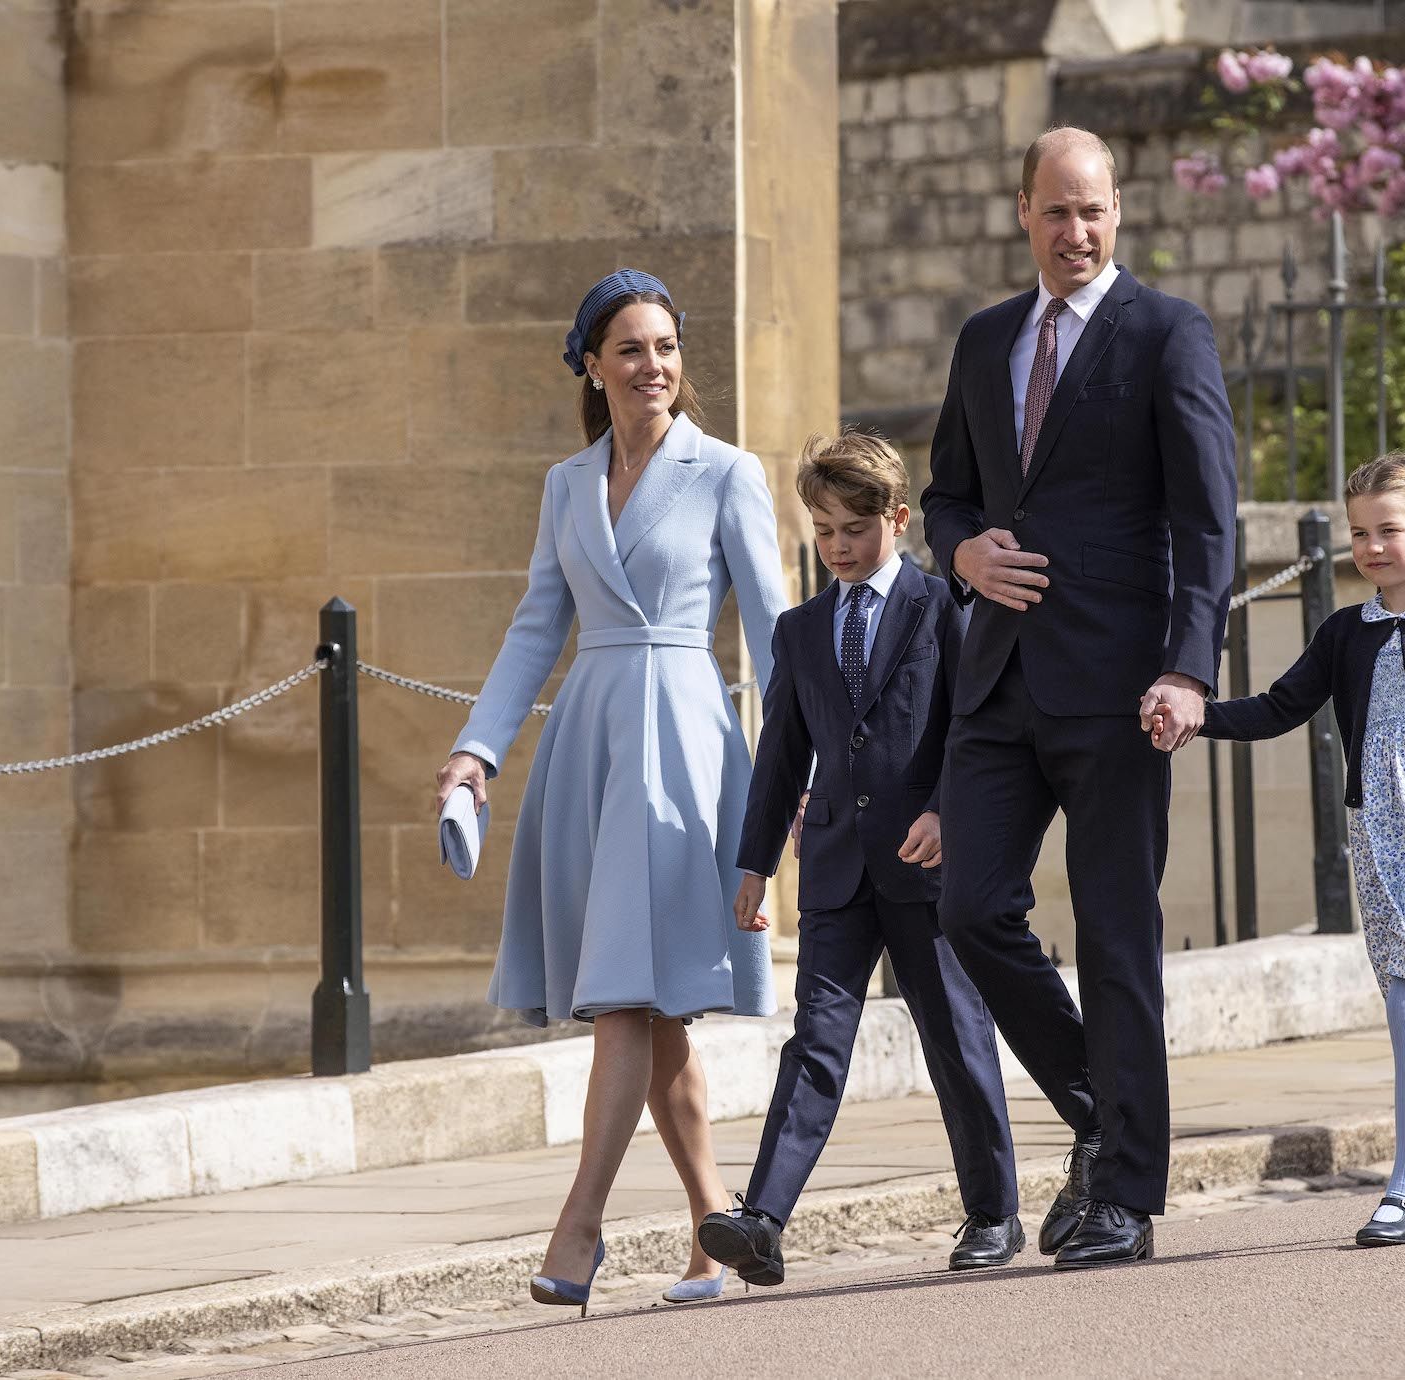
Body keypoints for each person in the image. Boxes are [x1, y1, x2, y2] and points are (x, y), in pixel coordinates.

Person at [430, 269, 787, 1311]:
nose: (653, 367)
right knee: (650, 1007)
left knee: (628, 1002)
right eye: (629, 349)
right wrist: (476, 752)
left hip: (683, 749)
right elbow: (536, 626)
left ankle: (577, 1227)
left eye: (667, 347)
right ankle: (713, 1230)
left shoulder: (727, 472)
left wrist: (795, 775)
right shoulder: (564, 485)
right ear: (590, 364)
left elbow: (773, 638)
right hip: (589, 745)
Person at [921, 127, 1237, 1270]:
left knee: (1113, 939)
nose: (1075, 232)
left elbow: (1207, 522)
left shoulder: (1165, 332)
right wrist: (960, 557)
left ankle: (1125, 1199)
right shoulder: (985, 339)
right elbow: (943, 495)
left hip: (1118, 689)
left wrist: (1186, 668)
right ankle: (1101, 1111)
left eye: (1092, 211)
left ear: (1119, 211)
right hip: (997, 682)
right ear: (1022, 213)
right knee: (967, 910)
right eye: (1055, 212)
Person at [1187, 452, 1405, 1247]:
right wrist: (1195, 714)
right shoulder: (1346, 630)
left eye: (1389, 529)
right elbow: (1280, 707)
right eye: (1359, 533)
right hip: (1377, 826)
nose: (1372, 546)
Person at [698, 429, 1024, 1285]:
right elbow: (781, 755)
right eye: (823, 529)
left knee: (955, 1035)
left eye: (854, 528)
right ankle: (763, 1218)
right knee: (816, 1039)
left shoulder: (942, 605)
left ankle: (993, 1213)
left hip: (924, 863)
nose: (837, 547)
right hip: (838, 866)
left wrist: (948, 813)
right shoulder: (802, 632)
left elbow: (976, 726)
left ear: (899, 519)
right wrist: (754, 862)